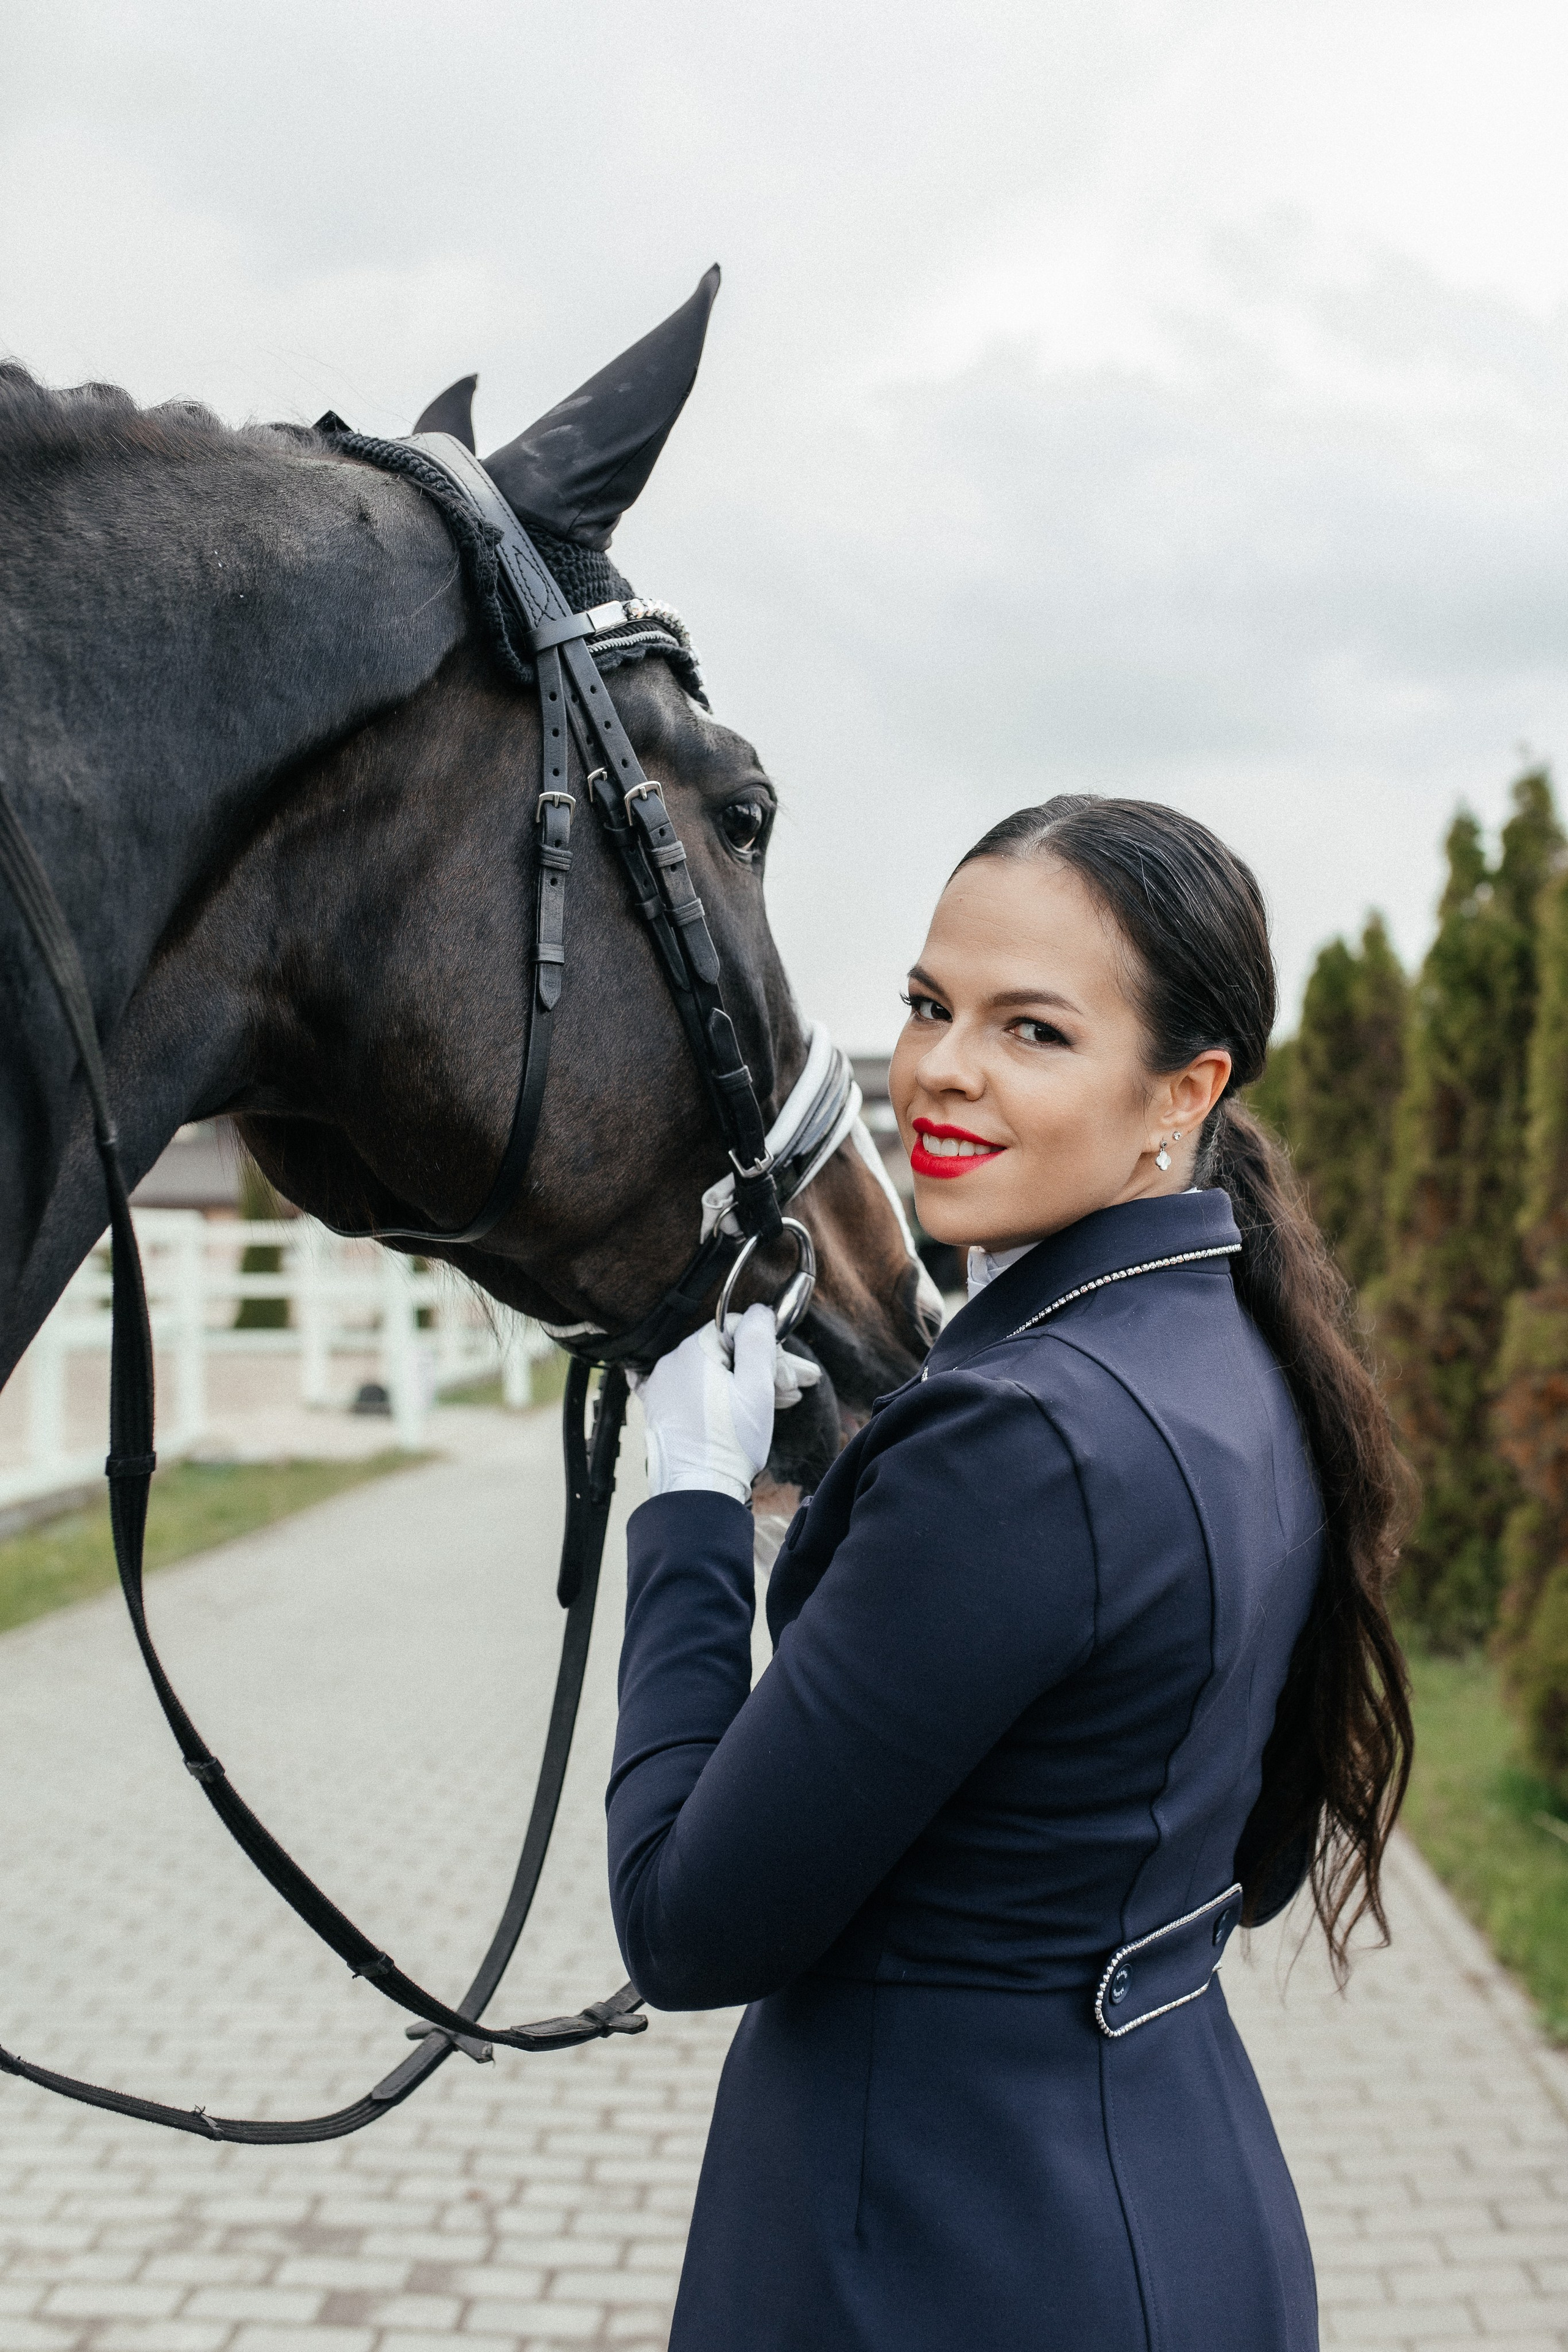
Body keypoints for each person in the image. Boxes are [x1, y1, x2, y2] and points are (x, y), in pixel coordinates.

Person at [608, 796, 1412, 2352]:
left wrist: (692, 1501)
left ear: (1183, 1089)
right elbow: (1214, 1848)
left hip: (939, 2254)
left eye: (1030, 1030)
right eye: (928, 1007)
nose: (940, 1071)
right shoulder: (1240, 1352)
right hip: (1180, 2209)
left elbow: (685, 1923)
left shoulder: (1019, 1442)